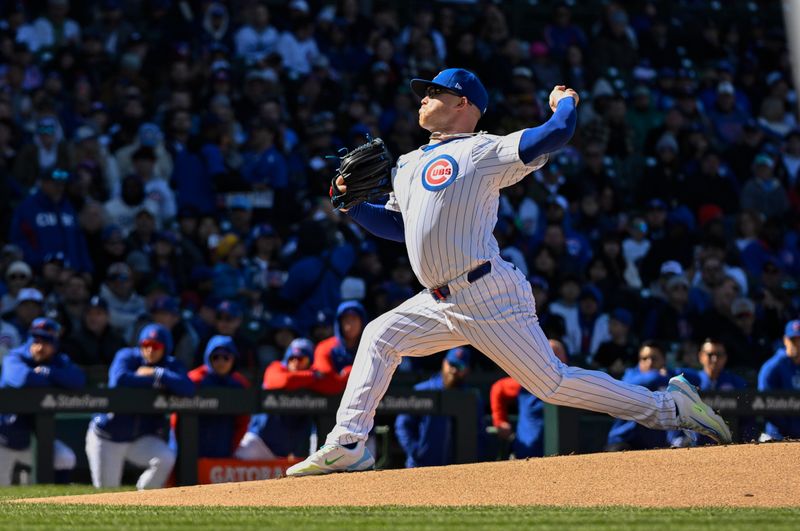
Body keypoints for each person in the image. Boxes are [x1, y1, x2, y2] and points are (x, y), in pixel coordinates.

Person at [287, 69, 731, 477]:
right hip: (438, 300)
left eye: (433, 91)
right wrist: (351, 205)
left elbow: (556, 133)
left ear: (463, 102)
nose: (422, 98)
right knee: (379, 337)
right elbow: (399, 226)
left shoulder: (483, 149)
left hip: (487, 293)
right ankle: (348, 442)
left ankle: (671, 407)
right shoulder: (405, 163)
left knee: (553, 384)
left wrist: (565, 102)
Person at [86, 324, 194, 490]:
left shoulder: (170, 365)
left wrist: (157, 373)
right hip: (108, 436)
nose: (150, 350)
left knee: (165, 457)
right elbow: (119, 380)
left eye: (156, 346)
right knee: (107, 494)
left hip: (140, 438)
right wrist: (160, 382)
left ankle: (143, 497)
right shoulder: (127, 356)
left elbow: (187, 388)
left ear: (166, 348)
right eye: (146, 345)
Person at [0, 318, 85, 485]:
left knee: (64, 458)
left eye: (46, 341)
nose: (40, 346)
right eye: (36, 340)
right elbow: (25, 379)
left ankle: (59, 504)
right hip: (2, 439)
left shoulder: (58, 361)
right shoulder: (14, 357)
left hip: (32, 441)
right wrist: (57, 382)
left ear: (55, 344)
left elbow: (78, 380)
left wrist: (49, 372)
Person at [234, 338, 340, 460]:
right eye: (291, 358)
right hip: (257, 443)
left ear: (310, 361)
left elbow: (334, 385)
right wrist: (313, 375)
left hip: (284, 455)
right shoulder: (276, 368)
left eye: (301, 358)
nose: (295, 362)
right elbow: (285, 381)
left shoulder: (312, 382)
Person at [395, 346, 482, 468]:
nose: (453, 370)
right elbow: (402, 425)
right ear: (444, 362)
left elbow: (479, 432)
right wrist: (416, 451)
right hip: (421, 467)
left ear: (467, 370)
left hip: (456, 470)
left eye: (459, 366)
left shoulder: (471, 398)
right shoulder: (422, 391)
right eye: (451, 364)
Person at [171, 336, 250, 458]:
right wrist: (182, 448)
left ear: (233, 358)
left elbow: (243, 421)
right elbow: (176, 418)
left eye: (226, 357)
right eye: (215, 357)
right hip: (191, 451)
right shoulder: (194, 379)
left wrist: (232, 447)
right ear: (208, 358)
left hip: (224, 450)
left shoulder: (240, 384)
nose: (221, 362)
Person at [490, 340, 568, 459]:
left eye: (557, 355)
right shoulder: (524, 382)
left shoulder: (571, 385)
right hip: (525, 455)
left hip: (562, 456)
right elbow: (498, 389)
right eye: (550, 355)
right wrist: (500, 421)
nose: (553, 361)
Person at [674, 339, 748, 447]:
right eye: (710, 354)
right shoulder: (690, 381)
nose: (714, 359)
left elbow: (747, 418)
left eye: (719, 355)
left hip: (730, 445)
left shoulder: (737, 383)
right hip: (694, 447)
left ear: (725, 357)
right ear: (701, 356)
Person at [605, 341, 674, 451]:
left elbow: (697, 377)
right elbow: (630, 384)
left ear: (664, 360)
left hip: (654, 444)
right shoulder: (631, 374)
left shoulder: (669, 377)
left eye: (654, 358)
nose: (649, 363)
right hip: (623, 441)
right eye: (644, 358)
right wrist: (659, 376)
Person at [311, 300, 366, 394]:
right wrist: (349, 375)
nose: (350, 324)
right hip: (329, 403)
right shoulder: (325, 347)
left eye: (354, 319)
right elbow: (324, 379)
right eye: (346, 319)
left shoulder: (371, 347)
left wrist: (349, 373)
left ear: (362, 322)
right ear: (339, 323)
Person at [757, 320, 800, 441]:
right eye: (793, 340)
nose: (797, 344)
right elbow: (764, 404)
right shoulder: (773, 366)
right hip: (777, 438)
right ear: (785, 340)